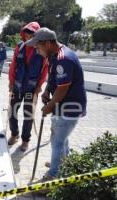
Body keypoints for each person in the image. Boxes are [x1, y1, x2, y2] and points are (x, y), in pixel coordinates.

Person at [25, 27, 87, 180]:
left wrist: (48, 107)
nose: (36, 51)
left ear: (47, 43)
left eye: (38, 47)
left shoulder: (63, 59)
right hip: (63, 106)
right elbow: (54, 80)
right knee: (61, 139)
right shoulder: (55, 56)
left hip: (69, 107)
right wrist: (47, 91)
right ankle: (63, 163)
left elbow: (62, 90)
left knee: (57, 141)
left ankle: (54, 176)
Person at [7, 22, 48, 151]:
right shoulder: (19, 47)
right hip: (18, 86)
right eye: (26, 33)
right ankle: (15, 134)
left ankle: (25, 140)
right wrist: (11, 82)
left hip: (31, 88)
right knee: (12, 111)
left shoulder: (40, 48)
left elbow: (45, 68)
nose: (28, 36)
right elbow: (13, 65)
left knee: (28, 115)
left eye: (31, 33)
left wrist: (40, 85)